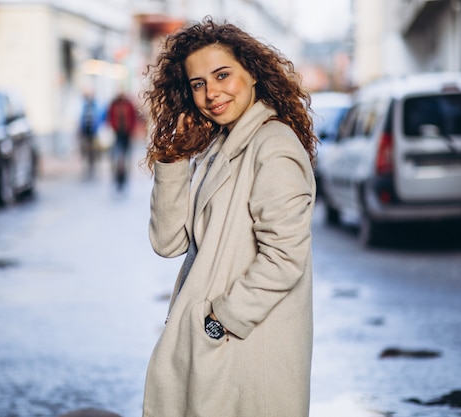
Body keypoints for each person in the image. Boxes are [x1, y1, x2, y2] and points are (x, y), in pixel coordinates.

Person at [141, 17, 317, 417]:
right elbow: (168, 243)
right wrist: (173, 161)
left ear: (252, 73)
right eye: (198, 83)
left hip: (247, 350)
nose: (211, 93)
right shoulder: (223, 145)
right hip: (221, 352)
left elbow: (285, 258)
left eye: (222, 75)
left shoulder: (272, 147)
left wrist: (219, 321)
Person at [107, 92, 138, 190]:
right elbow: (110, 116)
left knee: (125, 156)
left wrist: (131, 129)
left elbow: (133, 117)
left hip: (127, 134)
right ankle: (117, 177)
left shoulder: (128, 104)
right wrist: (114, 126)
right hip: (117, 133)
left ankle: (124, 177)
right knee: (117, 156)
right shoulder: (114, 104)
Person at [79, 91, 101, 178]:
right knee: (86, 149)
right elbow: (82, 119)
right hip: (86, 131)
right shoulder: (85, 106)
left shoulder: (94, 106)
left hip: (93, 131)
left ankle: (92, 164)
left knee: (92, 149)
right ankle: (87, 164)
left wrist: (96, 128)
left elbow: (97, 118)